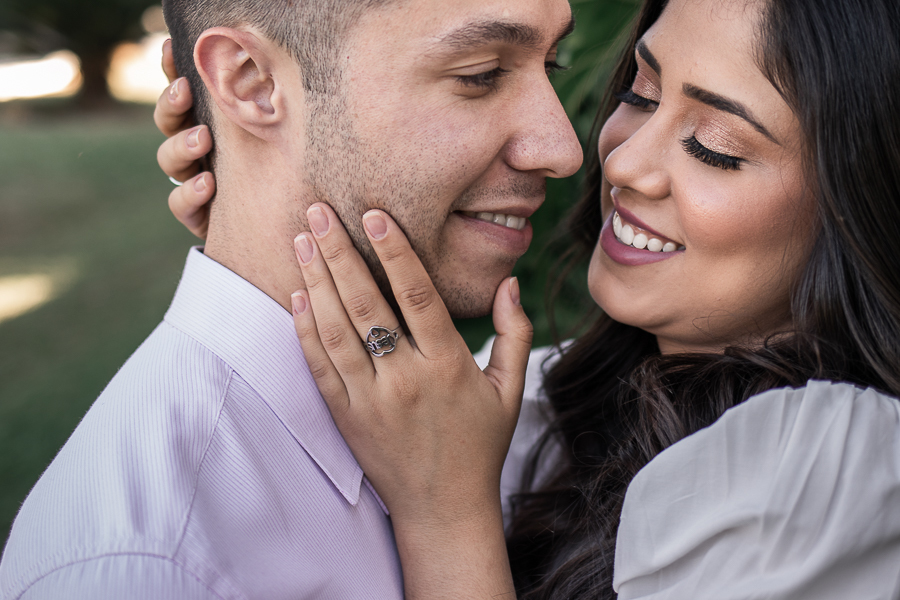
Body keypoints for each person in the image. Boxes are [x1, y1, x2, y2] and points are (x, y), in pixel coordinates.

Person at [158, 0, 900, 597]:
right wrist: (279, 190)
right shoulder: (555, 392)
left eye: (714, 146)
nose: (617, 159)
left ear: (862, 198)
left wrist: (447, 522)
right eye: (642, 94)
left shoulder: (827, 477)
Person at [0, 1, 582, 598]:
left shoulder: (504, 426)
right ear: (250, 82)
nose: (563, 149)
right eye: (480, 74)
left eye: (552, 64)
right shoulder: (148, 568)